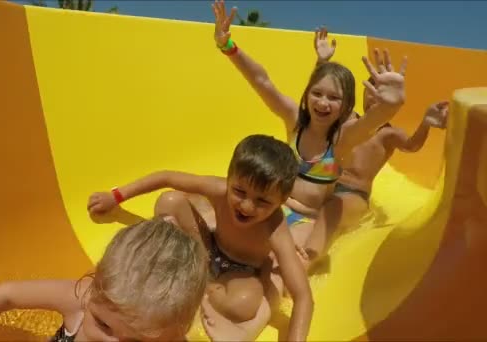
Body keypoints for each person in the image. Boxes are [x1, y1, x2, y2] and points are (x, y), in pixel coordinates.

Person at [212, 0, 407, 248]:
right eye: (317, 94)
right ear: (307, 94)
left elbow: (371, 123)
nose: (323, 103)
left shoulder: (341, 140)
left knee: (272, 258)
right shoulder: (294, 120)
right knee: (195, 208)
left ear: (346, 106)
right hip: (267, 206)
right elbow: (262, 81)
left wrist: (393, 103)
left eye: (334, 98)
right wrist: (227, 45)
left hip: (303, 221)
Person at [87, 134, 314, 341]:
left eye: (262, 202)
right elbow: (166, 177)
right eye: (239, 191)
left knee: (243, 306)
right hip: (207, 247)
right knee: (170, 201)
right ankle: (200, 276)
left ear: (281, 202)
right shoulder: (218, 189)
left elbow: (303, 297)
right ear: (229, 178)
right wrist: (115, 197)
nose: (246, 206)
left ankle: (202, 286)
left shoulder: (274, 227)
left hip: (240, 271)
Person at [0, 217, 208, 342]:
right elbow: (8, 295)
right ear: (94, 287)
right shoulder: (81, 299)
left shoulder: (170, 334)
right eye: (104, 326)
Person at [297, 27, 449, 269]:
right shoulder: (348, 121)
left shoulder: (388, 133)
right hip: (328, 186)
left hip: (353, 195)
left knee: (331, 210)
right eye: (370, 91)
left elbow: (411, 146)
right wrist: (322, 62)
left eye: (380, 93)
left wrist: (425, 124)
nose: (374, 98)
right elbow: (319, 105)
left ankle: (309, 258)